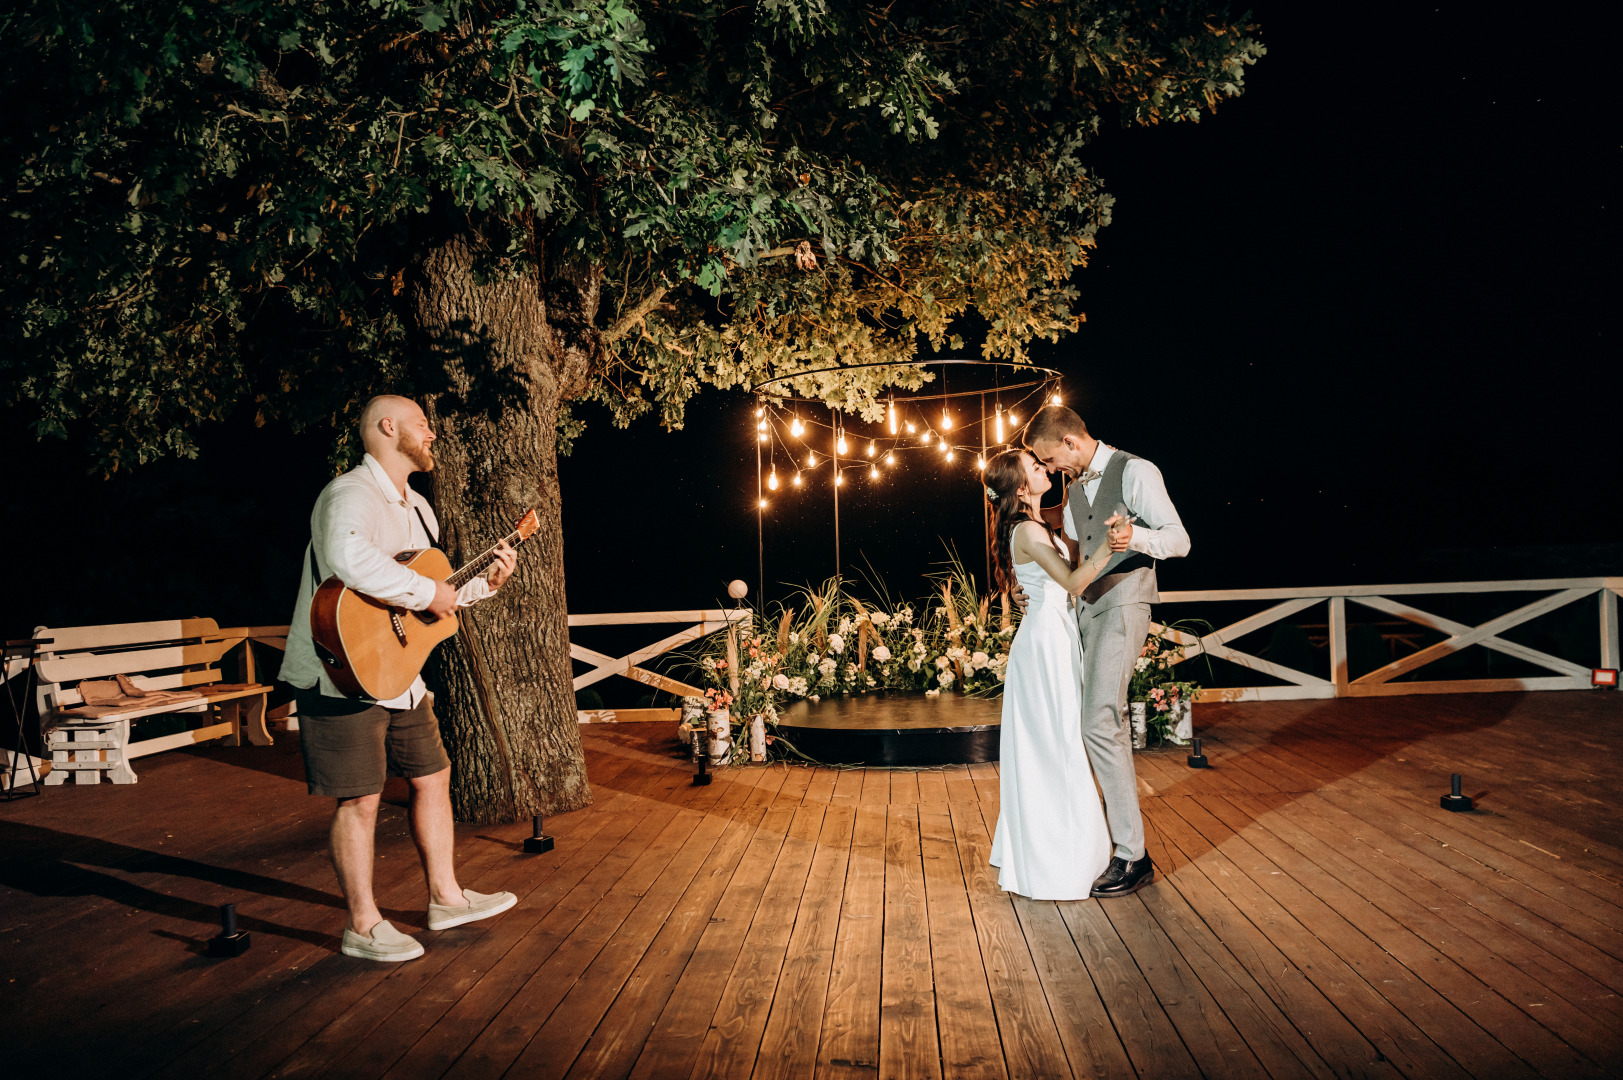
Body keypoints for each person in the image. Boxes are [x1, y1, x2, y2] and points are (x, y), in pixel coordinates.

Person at [279, 394, 520, 962]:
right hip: (342, 667)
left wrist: (483, 584)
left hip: (400, 670)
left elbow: (431, 597)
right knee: (360, 799)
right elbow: (347, 557)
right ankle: (362, 926)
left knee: (434, 777)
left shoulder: (418, 509)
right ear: (388, 427)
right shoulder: (350, 494)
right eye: (421, 423)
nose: (431, 432)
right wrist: (428, 591)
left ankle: (446, 898)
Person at [1023, 404, 1190, 898]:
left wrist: (1135, 535)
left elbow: (1180, 541)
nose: (1051, 470)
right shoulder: (1076, 488)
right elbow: (1075, 552)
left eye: (1050, 459)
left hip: (1124, 601)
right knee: (1083, 720)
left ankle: (1132, 856)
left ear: (1071, 442)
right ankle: (1097, 839)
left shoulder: (1137, 471)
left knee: (1099, 719)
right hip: (1085, 609)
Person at [984, 448, 1128, 899]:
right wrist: (1112, 545)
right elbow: (1070, 582)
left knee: (1057, 741)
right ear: (1021, 487)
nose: (1044, 468)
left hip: (1052, 634)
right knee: (1060, 743)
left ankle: (1055, 849)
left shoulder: (1035, 523)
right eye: (1034, 467)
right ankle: (1063, 861)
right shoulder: (1026, 528)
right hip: (1045, 643)